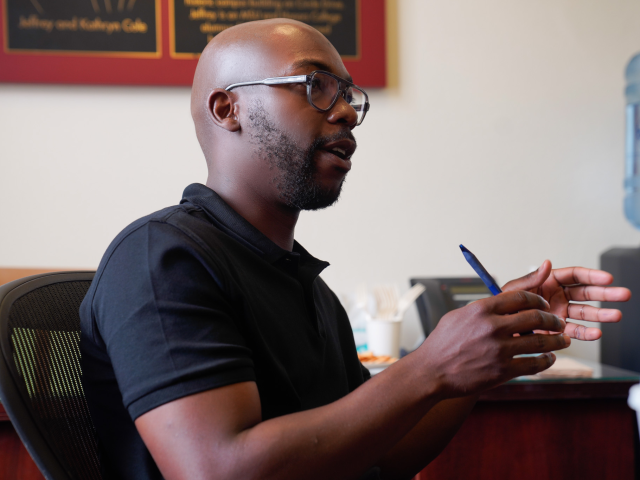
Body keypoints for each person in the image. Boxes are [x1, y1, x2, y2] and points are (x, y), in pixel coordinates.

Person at [79, 18, 631, 480]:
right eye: (314, 85)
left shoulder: (309, 290)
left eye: (348, 95)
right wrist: (432, 365)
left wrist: (485, 355)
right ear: (228, 109)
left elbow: (377, 455)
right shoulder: (162, 258)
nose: (344, 111)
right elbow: (215, 470)